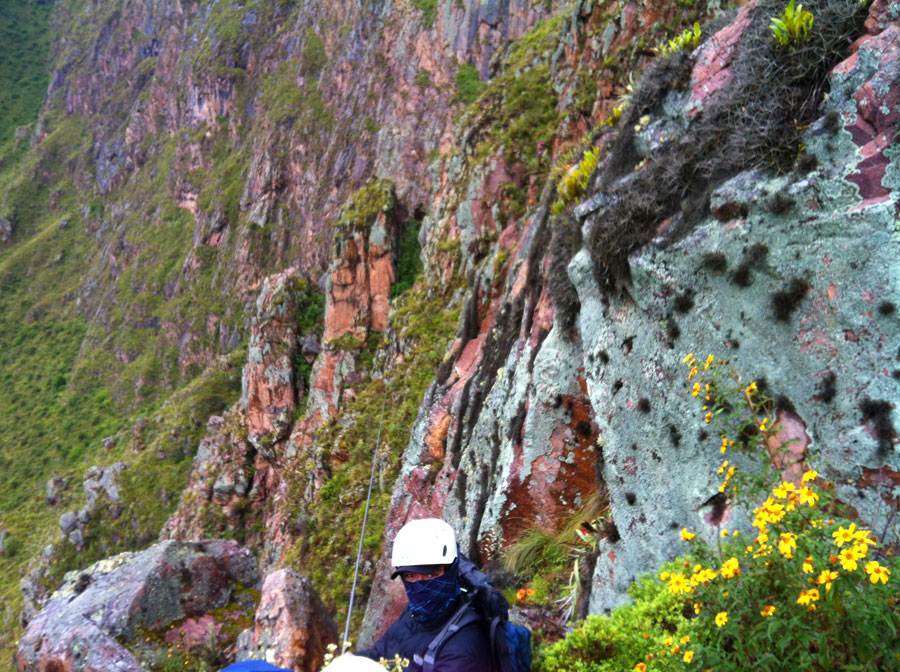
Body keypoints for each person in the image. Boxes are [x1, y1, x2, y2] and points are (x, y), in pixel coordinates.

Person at [355, 518, 494, 672]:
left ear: (451, 571)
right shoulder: (415, 612)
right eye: (410, 575)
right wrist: (347, 663)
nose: (420, 586)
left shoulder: (462, 648)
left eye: (430, 575)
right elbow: (380, 653)